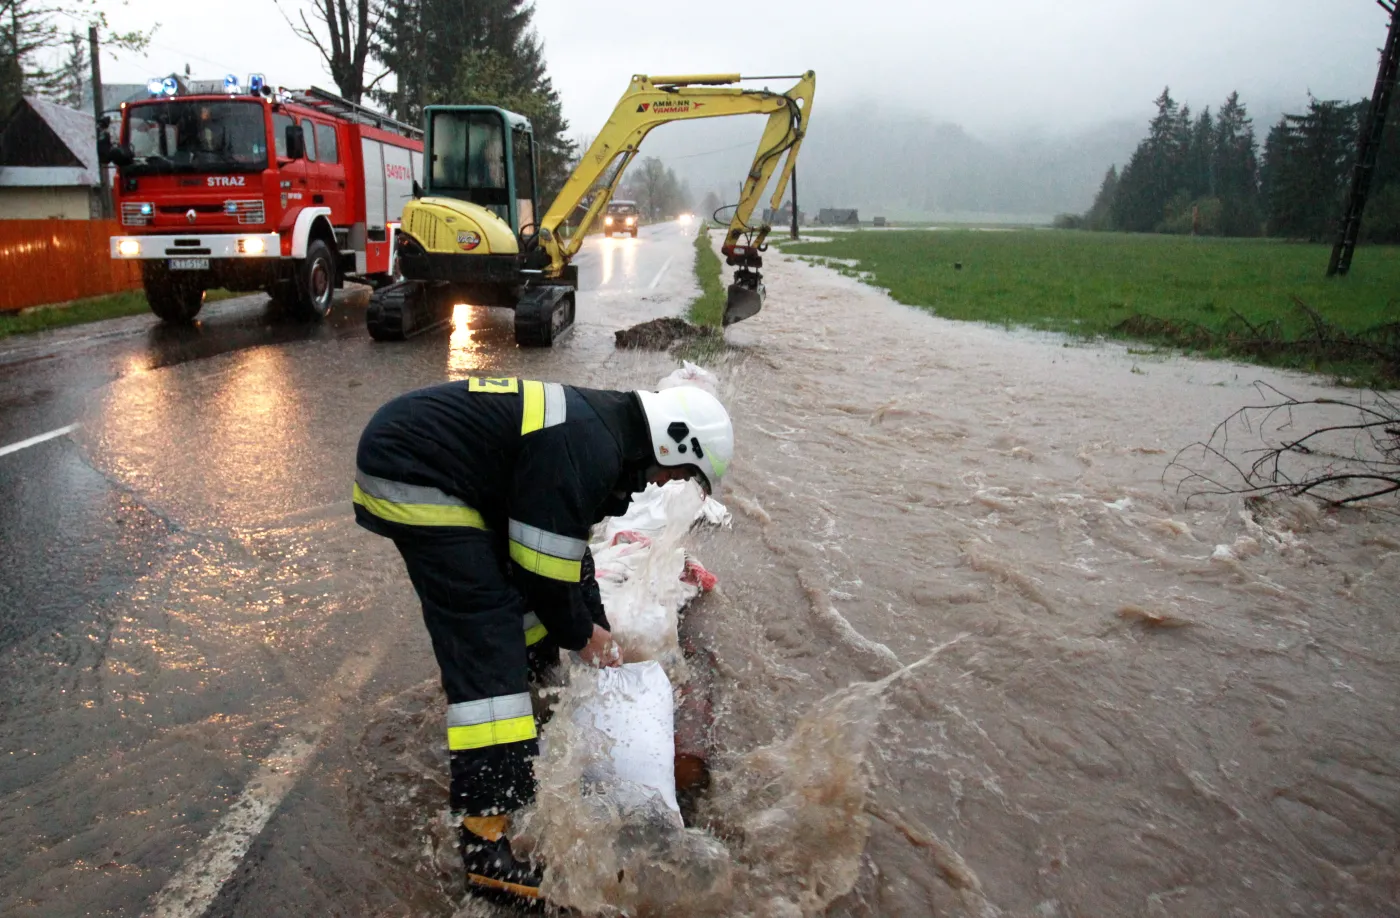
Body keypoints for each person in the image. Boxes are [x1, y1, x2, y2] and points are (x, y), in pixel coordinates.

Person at [352, 376, 733, 904]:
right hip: (413, 470)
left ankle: (525, 715)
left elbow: (569, 556)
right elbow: (543, 573)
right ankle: (485, 847)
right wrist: (582, 635)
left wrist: (596, 626)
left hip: (449, 470)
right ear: (672, 441)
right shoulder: (593, 447)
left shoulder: (608, 437)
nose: (668, 481)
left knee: (528, 618)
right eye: (681, 471)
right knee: (489, 636)